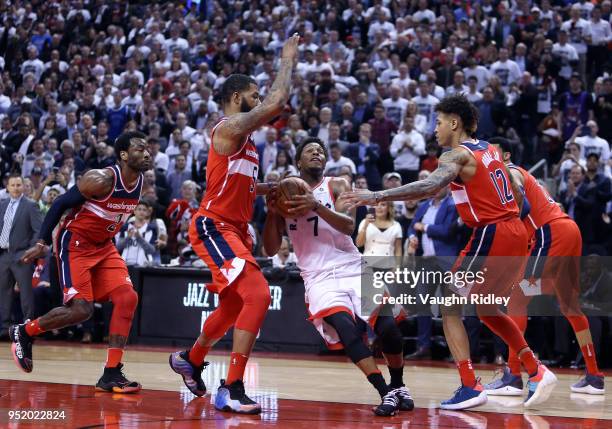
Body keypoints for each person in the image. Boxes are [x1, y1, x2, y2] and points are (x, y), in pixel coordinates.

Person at [343, 94, 556, 410]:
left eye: (439, 122)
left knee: (448, 304)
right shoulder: (490, 151)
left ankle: (470, 384)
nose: (435, 130)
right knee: (486, 309)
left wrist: (376, 195)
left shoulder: (455, 155)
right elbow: (519, 196)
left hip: (492, 231)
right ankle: (535, 369)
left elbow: (429, 187)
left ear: (454, 123)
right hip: (514, 231)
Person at [168, 34, 299, 415]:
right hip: (215, 225)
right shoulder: (227, 128)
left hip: (236, 227)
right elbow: (276, 102)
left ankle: (191, 359)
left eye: (259, 96)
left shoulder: (247, 143)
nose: (260, 102)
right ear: (237, 97)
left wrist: (272, 188)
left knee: (232, 305)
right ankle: (232, 386)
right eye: (253, 96)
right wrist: (287, 59)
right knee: (258, 294)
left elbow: (240, 185)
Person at [262, 137, 413, 417]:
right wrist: (272, 215)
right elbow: (269, 248)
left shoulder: (337, 185)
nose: (317, 153)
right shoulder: (285, 194)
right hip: (318, 276)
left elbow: (348, 226)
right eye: (310, 150)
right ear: (298, 162)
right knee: (347, 330)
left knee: (389, 328)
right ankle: (385, 392)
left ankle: (399, 384)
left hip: (352, 266)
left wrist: (316, 205)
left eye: (321, 150)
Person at [11, 131, 151, 393]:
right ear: (123, 155)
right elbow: (60, 204)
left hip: (104, 247)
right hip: (75, 244)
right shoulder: (101, 179)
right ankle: (26, 332)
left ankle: (111, 373)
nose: (146, 153)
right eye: (140, 149)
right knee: (81, 310)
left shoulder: (141, 181)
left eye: (148, 149)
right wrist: (41, 241)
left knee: (127, 298)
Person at [484, 138, 604, 396]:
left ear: (505, 155)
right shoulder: (515, 176)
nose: (486, 156)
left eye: (491, 152)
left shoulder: (510, 172)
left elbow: (518, 196)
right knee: (570, 306)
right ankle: (594, 375)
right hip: (567, 229)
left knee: (517, 297)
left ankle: (514, 375)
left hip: (551, 233)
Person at [0, 174, 43, 338]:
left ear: (24, 187)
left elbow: (37, 231)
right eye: (13, 185)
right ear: (8, 187)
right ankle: (4, 328)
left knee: (26, 294)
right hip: (4, 255)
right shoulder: (2, 204)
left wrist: (29, 251)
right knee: (4, 293)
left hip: (22, 255)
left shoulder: (31, 205)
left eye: (19, 185)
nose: (16, 188)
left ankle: (27, 328)